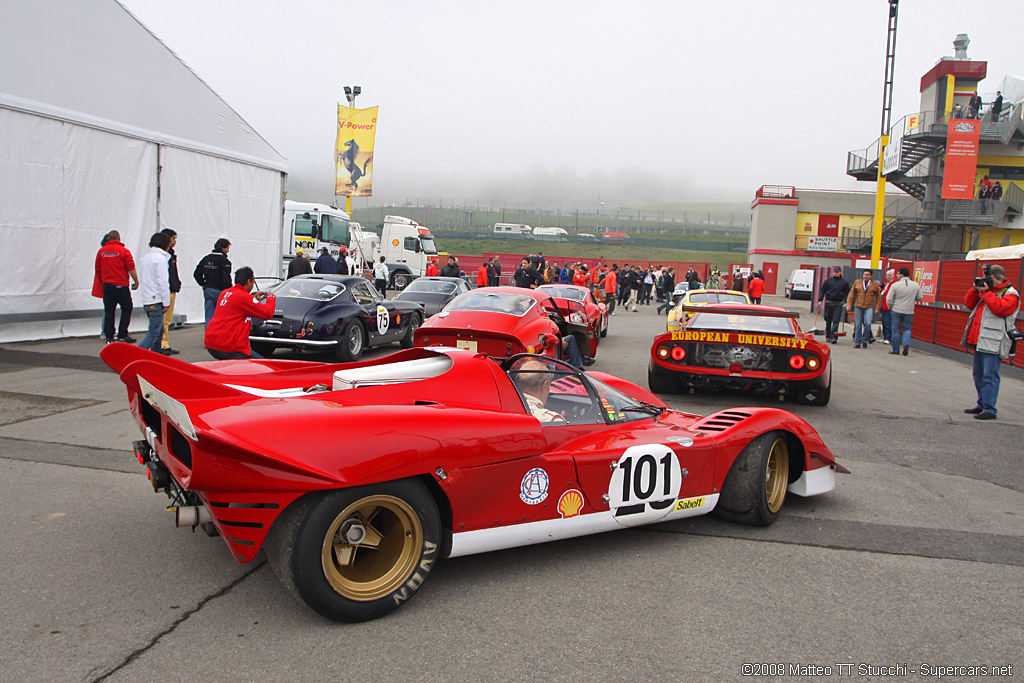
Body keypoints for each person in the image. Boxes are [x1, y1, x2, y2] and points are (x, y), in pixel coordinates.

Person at [960, 264, 1019, 420]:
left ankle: (989, 408)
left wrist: (986, 292)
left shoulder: (1011, 294)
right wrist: (975, 290)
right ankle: (982, 404)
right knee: (978, 374)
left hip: (994, 341)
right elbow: (968, 303)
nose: (987, 282)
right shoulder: (989, 293)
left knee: (989, 376)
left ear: (1000, 278)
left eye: (990, 280)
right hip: (980, 339)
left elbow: (1000, 309)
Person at [204, 266, 276, 360]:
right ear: (248, 281)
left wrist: (252, 298)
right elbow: (267, 313)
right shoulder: (244, 298)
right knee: (262, 366)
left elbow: (238, 305)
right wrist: (271, 298)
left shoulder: (225, 293)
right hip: (230, 347)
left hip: (212, 343)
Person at [95, 229, 140, 344]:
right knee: (127, 308)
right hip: (121, 285)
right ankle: (122, 333)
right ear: (119, 239)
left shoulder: (101, 251)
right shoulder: (124, 251)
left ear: (108, 239)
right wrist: (136, 281)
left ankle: (109, 336)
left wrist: (102, 280)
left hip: (107, 286)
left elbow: (98, 269)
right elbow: (131, 268)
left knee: (109, 310)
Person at [138, 232, 172, 353]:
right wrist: (166, 302)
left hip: (147, 299)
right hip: (156, 299)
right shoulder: (160, 259)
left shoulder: (144, 259)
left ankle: (157, 355)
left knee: (159, 330)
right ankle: (138, 353)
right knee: (154, 331)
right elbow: (162, 282)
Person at [885, 267, 923, 356]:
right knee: (907, 329)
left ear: (902, 274)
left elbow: (889, 299)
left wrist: (890, 307)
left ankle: (895, 349)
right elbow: (920, 297)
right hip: (909, 311)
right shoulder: (915, 285)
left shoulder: (895, 285)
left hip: (896, 310)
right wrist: (912, 299)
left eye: (898, 274)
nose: (897, 275)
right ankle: (906, 344)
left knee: (896, 330)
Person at [194, 238, 232, 326]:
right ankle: (220, 336)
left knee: (209, 316)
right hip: (220, 290)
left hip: (208, 289)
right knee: (223, 316)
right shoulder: (224, 261)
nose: (228, 251)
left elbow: (196, 274)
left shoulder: (206, 259)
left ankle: (208, 336)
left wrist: (203, 284)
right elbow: (226, 278)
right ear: (223, 248)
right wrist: (229, 290)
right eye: (227, 248)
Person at [158, 228, 181, 355]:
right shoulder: (163, 256)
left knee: (167, 320)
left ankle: (165, 343)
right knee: (164, 320)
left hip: (171, 288)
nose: (174, 241)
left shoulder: (170, 254)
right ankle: (162, 344)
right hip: (166, 290)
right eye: (173, 238)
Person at [847, 269, 882, 348]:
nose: (865, 276)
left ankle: (865, 339)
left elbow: (878, 297)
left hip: (868, 306)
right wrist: (849, 304)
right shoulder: (858, 282)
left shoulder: (875, 284)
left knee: (867, 324)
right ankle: (857, 342)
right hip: (858, 306)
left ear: (870, 276)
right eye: (864, 274)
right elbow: (851, 294)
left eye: (867, 275)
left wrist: (877, 307)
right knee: (858, 325)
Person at [818, 266, 850, 344]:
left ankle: (834, 337)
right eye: (834, 272)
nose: (835, 273)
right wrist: (820, 299)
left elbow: (847, 293)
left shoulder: (844, 282)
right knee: (828, 320)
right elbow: (823, 290)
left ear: (840, 272)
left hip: (838, 303)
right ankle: (828, 335)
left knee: (836, 321)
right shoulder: (828, 281)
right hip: (829, 303)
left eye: (837, 272)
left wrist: (846, 301)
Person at [878, 268, 896, 345]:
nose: (888, 277)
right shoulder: (886, 284)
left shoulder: (894, 284)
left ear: (893, 276)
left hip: (889, 307)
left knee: (888, 323)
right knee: (884, 322)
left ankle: (888, 338)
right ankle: (885, 337)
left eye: (890, 275)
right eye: (887, 275)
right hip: (884, 306)